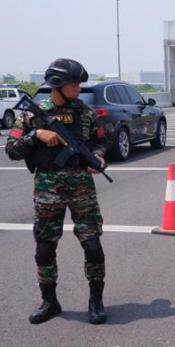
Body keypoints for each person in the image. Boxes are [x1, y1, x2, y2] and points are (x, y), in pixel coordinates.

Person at [5, 58, 108, 324]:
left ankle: (96, 301)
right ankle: (49, 301)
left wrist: (99, 158)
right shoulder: (31, 114)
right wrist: (35, 135)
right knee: (44, 248)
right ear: (57, 85)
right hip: (47, 191)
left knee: (93, 245)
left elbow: (100, 142)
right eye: (74, 83)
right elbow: (11, 150)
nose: (78, 88)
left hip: (82, 190)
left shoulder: (86, 113)